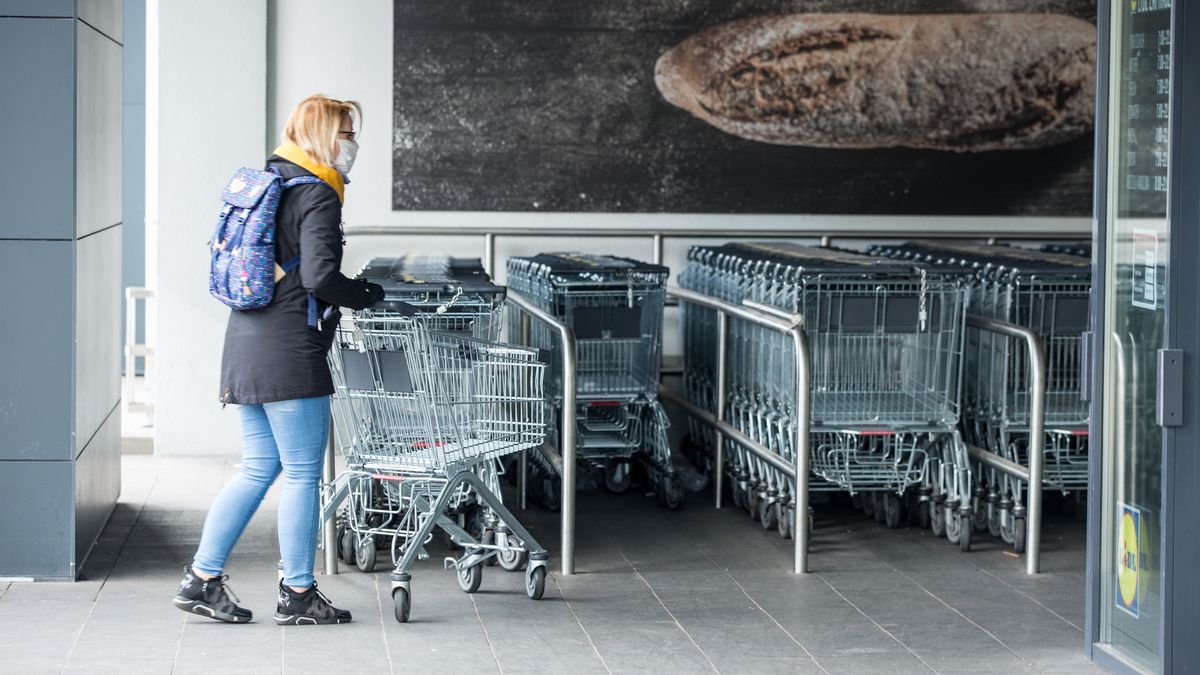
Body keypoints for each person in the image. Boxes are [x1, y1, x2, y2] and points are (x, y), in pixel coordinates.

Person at [172, 94, 385, 625]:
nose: (352, 144)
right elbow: (318, 277)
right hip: (289, 351)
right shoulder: (317, 194)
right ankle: (297, 593)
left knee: (259, 468)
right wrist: (366, 295)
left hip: (245, 344)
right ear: (323, 136)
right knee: (302, 475)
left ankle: (201, 578)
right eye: (346, 133)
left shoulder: (270, 183)